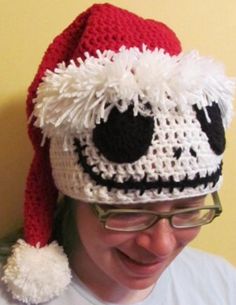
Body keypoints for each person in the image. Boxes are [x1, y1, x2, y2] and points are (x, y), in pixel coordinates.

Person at [0, 3, 236, 305]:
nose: (161, 245)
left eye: (188, 209)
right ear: (73, 192)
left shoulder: (222, 286)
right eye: (130, 212)